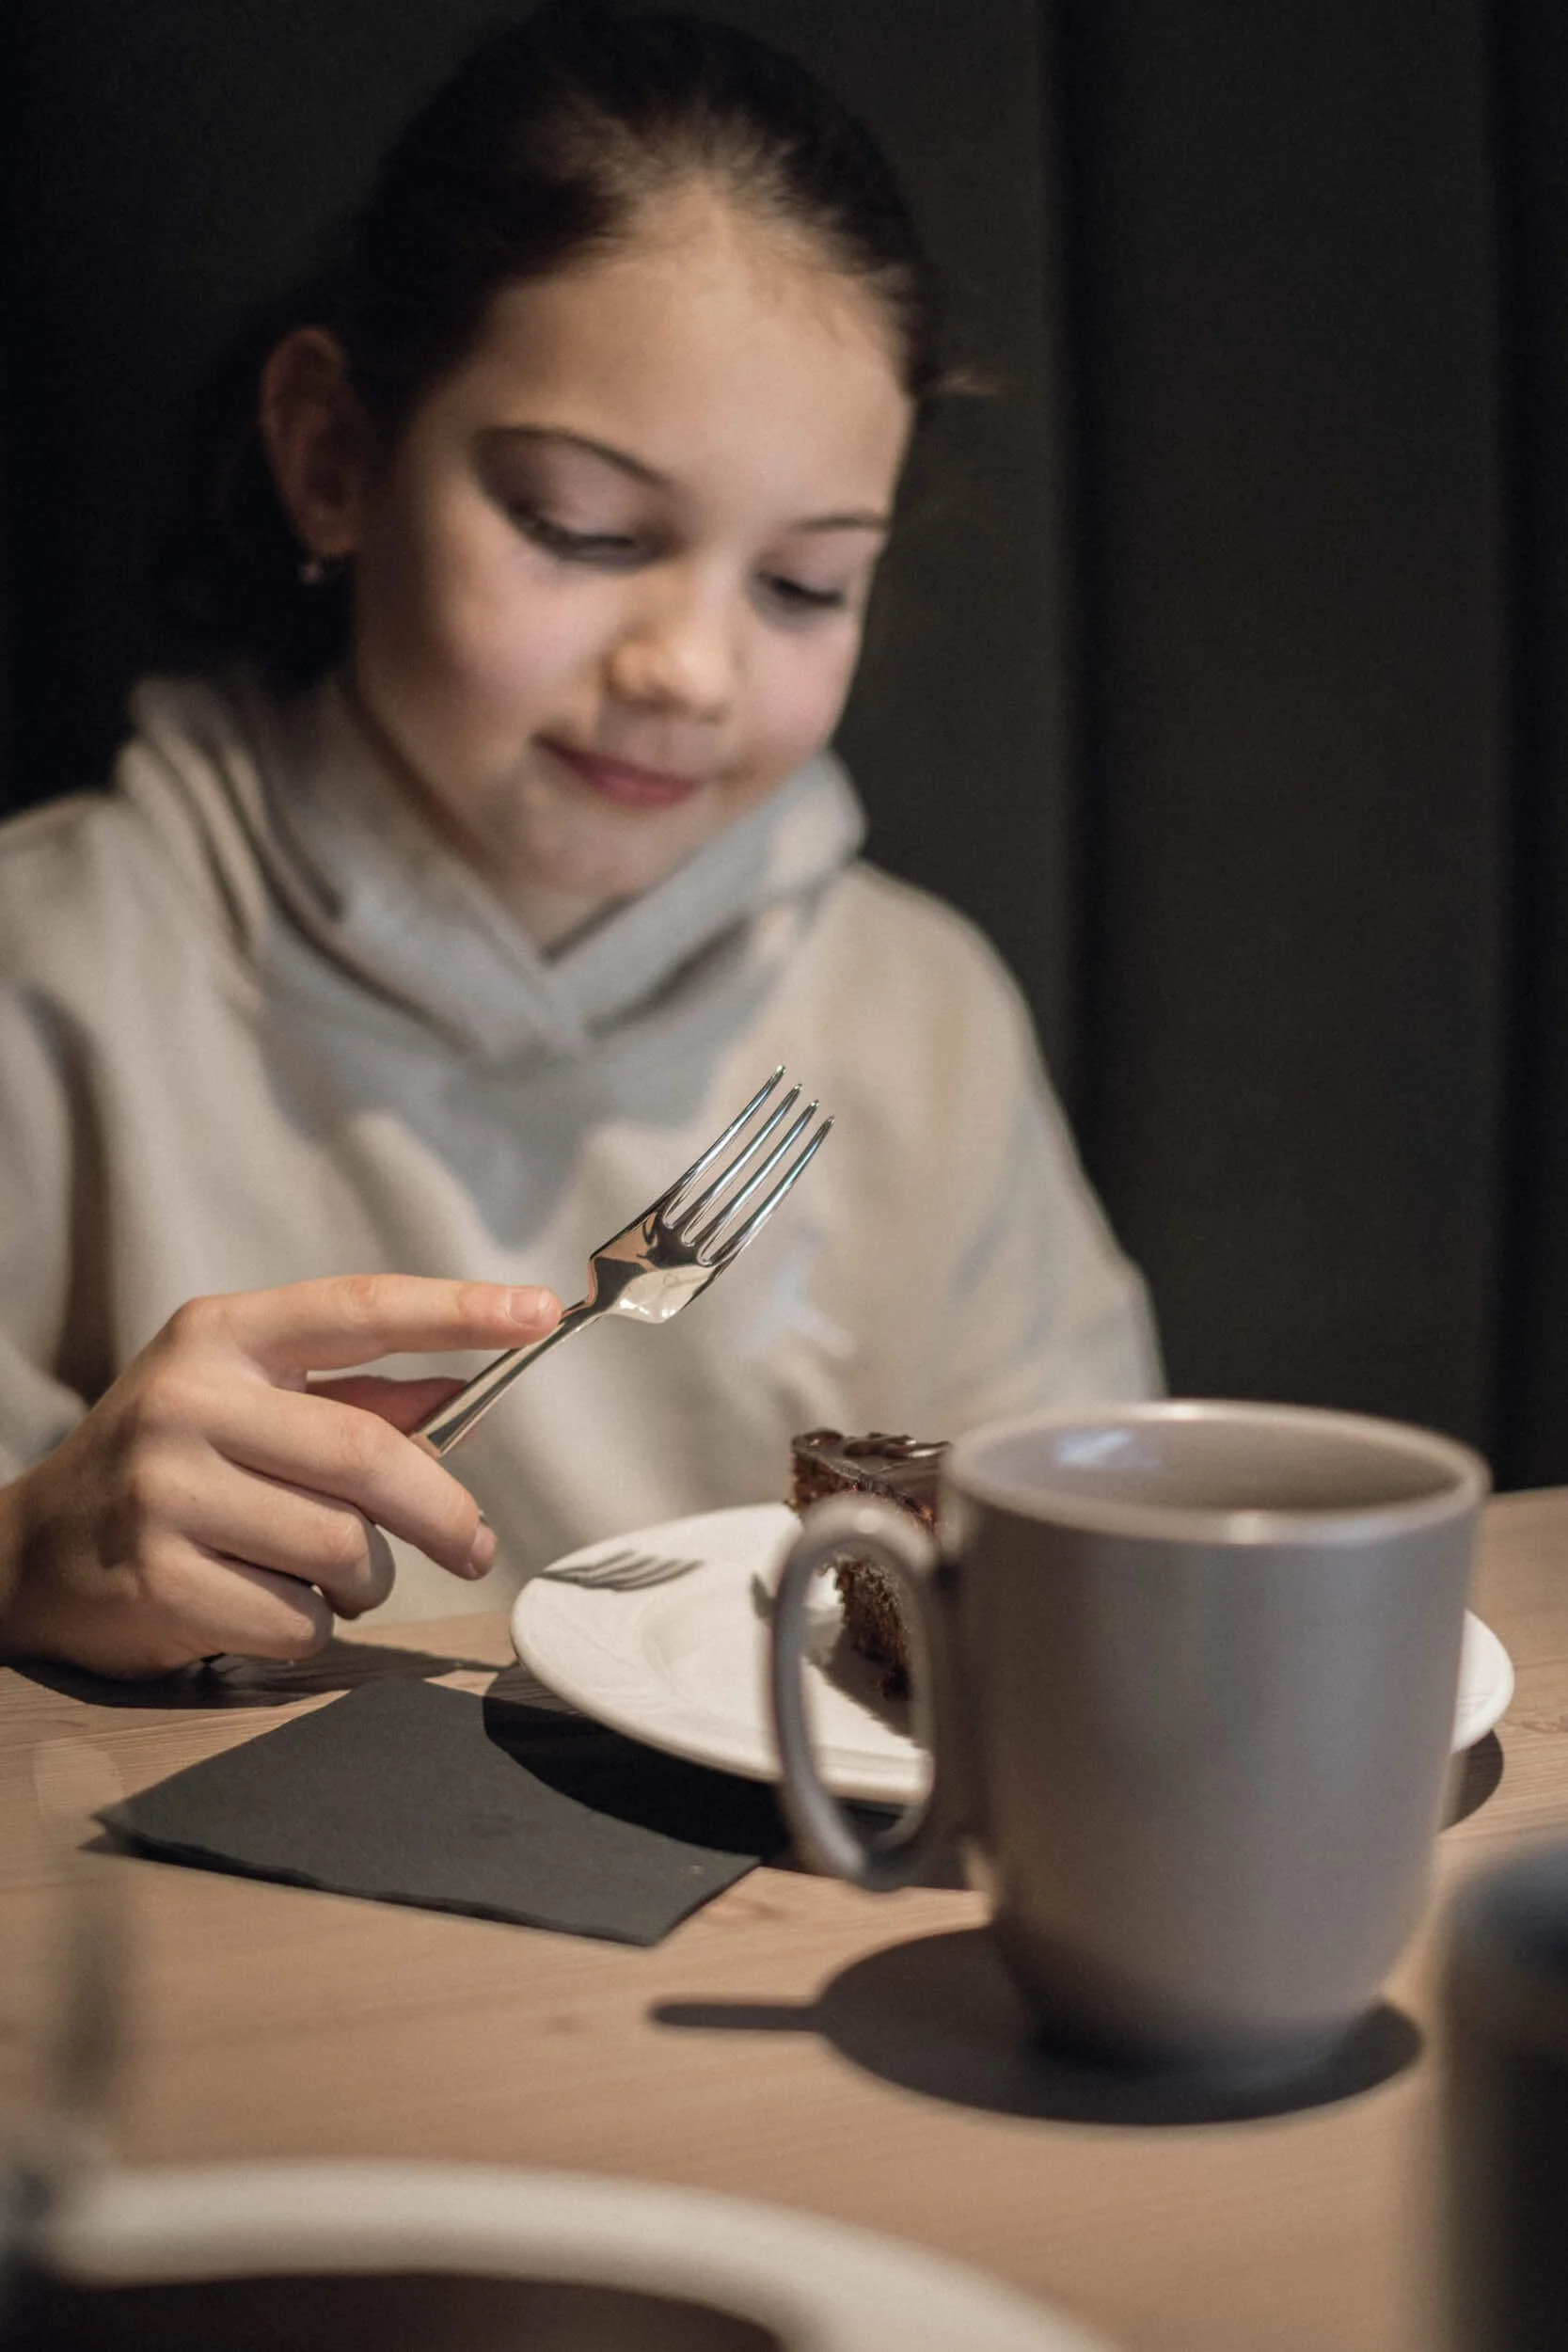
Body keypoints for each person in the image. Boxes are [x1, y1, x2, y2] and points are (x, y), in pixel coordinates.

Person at [0, 4, 1159, 1680]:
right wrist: (30, 1541)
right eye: (581, 528)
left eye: (801, 585)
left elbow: (1098, 1550)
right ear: (333, 459)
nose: (686, 672)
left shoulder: (916, 1016)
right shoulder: (59, 967)